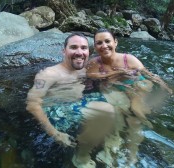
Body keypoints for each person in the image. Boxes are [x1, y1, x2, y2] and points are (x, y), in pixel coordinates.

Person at [26, 33, 115, 168]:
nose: (79, 52)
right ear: (64, 51)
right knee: (106, 110)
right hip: (57, 111)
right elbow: (32, 104)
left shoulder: (85, 70)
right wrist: (54, 133)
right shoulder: (49, 74)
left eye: (83, 48)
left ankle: (111, 140)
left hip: (76, 103)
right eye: (73, 47)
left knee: (117, 98)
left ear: (88, 52)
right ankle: (81, 156)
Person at [86, 28, 173, 166]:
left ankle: (131, 153)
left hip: (136, 85)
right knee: (122, 113)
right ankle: (123, 151)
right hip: (117, 88)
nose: (104, 45)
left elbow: (148, 75)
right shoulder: (94, 63)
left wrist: (164, 87)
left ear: (115, 42)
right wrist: (114, 74)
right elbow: (91, 75)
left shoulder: (129, 59)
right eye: (99, 43)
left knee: (135, 111)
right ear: (95, 46)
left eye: (107, 41)